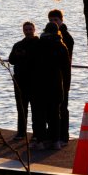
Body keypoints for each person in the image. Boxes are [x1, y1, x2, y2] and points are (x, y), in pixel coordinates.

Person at [30, 21, 69, 150]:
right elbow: (65, 68)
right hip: (56, 84)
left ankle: (40, 141)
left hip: (39, 84)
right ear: (57, 31)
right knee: (55, 114)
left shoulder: (38, 44)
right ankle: (56, 140)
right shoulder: (61, 46)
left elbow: (33, 64)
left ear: (45, 30)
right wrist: (66, 85)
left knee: (40, 114)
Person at [48, 9, 75, 144]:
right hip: (52, 78)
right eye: (51, 20)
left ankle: (63, 135)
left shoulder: (66, 38)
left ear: (61, 20)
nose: (54, 22)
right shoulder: (48, 36)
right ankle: (53, 133)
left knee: (63, 107)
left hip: (63, 77)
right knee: (52, 107)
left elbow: (65, 60)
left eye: (56, 20)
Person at [8, 21, 38, 141]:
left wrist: (25, 55)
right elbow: (11, 60)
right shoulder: (18, 45)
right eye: (26, 29)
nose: (28, 31)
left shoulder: (39, 44)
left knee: (36, 108)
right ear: (23, 30)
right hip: (20, 81)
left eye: (30, 29)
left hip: (34, 81)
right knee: (21, 107)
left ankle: (37, 133)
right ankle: (21, 132)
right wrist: (18, 55)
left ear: (34, 29)